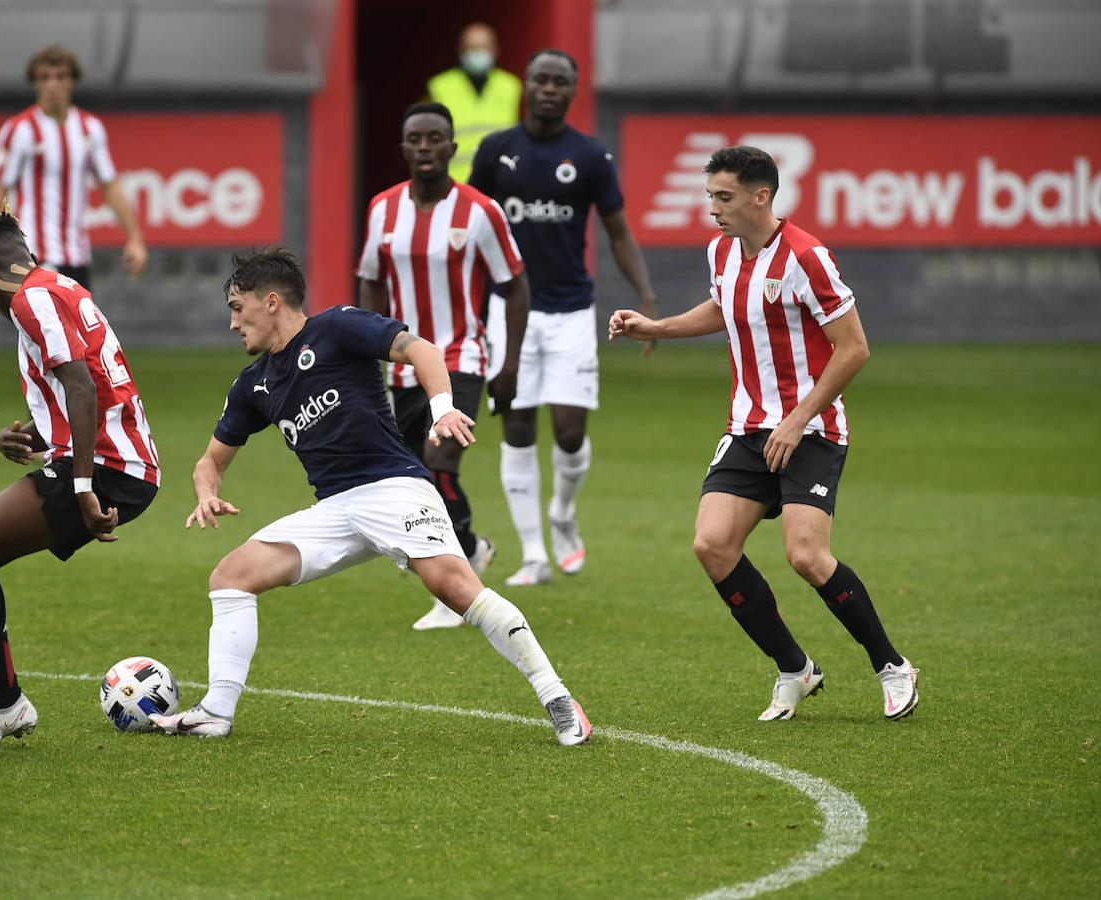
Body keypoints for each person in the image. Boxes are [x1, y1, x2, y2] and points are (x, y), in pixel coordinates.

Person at [150, 247, 590, 746]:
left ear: (270, 302)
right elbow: (210, 460)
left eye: (236, 307)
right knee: (230, 578)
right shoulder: (254, 384)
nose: (232, 323)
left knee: (456, 589)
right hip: (335, 509)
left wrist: (441, 409)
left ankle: (558, 698)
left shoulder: (337, 327)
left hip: (393, 487)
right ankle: (216, 711)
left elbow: (421, 350)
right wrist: (207, 493)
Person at [608, 145, 919, 722]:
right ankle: (794, 668)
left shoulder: (807, 256)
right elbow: (725, 308)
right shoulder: (721, 251)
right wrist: (658, 326)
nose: (713, 209)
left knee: (806, 556)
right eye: (709, 197)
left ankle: (891, 666)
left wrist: (797, 419)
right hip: (749, 428)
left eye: (723, 197)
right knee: (712, 546)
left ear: (761, 196)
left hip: (813, 430)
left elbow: (855, 348)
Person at [0, 211, 161, 754]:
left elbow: (84, 387)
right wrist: (36, 441)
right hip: (114, 462)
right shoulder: (60, 286)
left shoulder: (28, 300)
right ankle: (5, 703)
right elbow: (85, 391)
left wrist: (84, 487)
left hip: (106, 471)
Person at [469, 48, 658, 586]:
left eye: (560, 81)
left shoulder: (591, 156)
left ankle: (562, 515)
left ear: (572, 91)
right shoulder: (496, 151)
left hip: (572, 310)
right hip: (508, 311)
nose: (550, 88)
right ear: (526, 86)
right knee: (518, 427)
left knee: (570, 432)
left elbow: (618, 231)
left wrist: (645, 295)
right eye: (541, 79)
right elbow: (471, 226)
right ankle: (534, 555)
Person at [358, 102, 530, 631]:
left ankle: (457, 584)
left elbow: (516, 285)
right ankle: (472, 548)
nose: (427, 147)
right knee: (411, 480)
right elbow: (369, 278)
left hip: (462, 359)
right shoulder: (382, 210)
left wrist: (510, 366)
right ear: (405, 148)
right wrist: (368, 345)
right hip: (402, 365)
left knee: (440, 466)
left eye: (437, 138)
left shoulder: (480, 212)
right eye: (417, 139)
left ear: (453, 148)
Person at [0, 45, 148, 288]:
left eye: (60, 77)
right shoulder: (20, 129)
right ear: (36, 83)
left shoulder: (90, 128)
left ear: (72, 81)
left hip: (78, 256)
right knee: (49, 325)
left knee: (79, 326)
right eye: (44, 78)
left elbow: (110, 186)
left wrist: (135, 238)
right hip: (35, 254)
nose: (52, 85)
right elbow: (0, 190)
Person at [427, 23, 523, 183]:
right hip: (454, 185)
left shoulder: (512, 87)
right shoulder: (439, 87)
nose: (478, 53)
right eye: (471, 48)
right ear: (460, 51)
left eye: (483, 48)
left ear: (495, 50)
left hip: (500, 182)